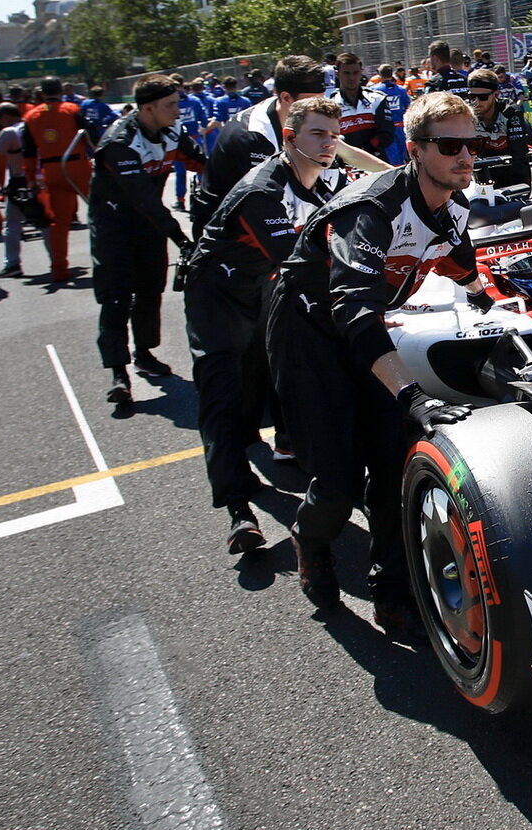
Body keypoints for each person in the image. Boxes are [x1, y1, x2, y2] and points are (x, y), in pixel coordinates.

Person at [267, 90, 491, 634]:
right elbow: (351, 307)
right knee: (340, 477)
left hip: (366, 329)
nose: (466, 157)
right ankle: (312, 537)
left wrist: (491, 302)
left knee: (393, 461)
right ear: (415, 150)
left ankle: (390, 592)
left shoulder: (453, 203)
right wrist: (411, 394)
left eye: (473, 144)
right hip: (311, 335)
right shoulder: (370, 208)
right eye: (450, 146)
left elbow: (458, 258)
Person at [187, 97, 347, 555]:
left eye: (334, 135)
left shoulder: (322, 182)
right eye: (318, 134)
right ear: (289, 138)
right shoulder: (262, 190)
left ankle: (294, 453)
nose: (329, 143)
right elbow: (300, 261)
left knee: (281, 375)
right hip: (216, 292)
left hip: (262, 285)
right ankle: (238, 508)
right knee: (221, 393)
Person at [89, 74, 207, 406]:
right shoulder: (119, 143)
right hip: (115, 228)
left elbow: (203, 164)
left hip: (149, 228)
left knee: (149, 291)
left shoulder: (172, 131)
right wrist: (181, 238)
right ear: (148, 108)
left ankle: (144, 353)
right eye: (170, 105)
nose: (178, 110)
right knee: (115, 299)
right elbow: (145, 199)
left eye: (178, 103)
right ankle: (118, 373)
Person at [188, 55, 326, 230]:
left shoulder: (287, 110)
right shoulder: (256, 135)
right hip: (227, 233)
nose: (318, 108)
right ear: (286, 98)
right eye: (311, 101)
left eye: (321, 99)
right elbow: (265, 205)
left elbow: (344, 151)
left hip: (258, 216)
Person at [21, 77, 93, 281]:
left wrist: (31, 180)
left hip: (51, 170)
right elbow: (92, 136)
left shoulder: (31, 116)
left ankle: (59, 267)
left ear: (42, 93)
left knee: (58, 223)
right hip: (78, 166)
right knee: (102, 211)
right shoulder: (71, 109)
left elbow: (28, 151)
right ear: (61, 90)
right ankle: (114, 257)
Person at [464, 68, 531, 187]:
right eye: (472, 97)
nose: (476, 102)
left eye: (483, 97)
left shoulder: (511, 112)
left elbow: (518, 154)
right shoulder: (466, 115)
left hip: (514, 174)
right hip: (483, 176)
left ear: (496, 94)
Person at [0, 103, 34, 278]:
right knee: (44, 222)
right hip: (36, 177)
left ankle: (12, 263)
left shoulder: (8, 132)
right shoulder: (30, 126)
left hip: (18, 179)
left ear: (6, 117)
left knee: (12, 225)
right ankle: (58, 262)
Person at [333, 52, 394, 160]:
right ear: (337, 74)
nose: (352, 77)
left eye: (355, 72)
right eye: (346, 73)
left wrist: (364, 152)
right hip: (342, 165)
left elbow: (386, 134)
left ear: (361, 72)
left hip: (375, 160)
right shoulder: (330, 103)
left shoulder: (377, 99)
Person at [172, 80, 211, 209]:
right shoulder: (194, 101)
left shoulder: (170, 103)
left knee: (180, 173)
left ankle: (180, 200)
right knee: (202, 169)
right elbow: (205, 122)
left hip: (177, 142)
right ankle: (205, 197)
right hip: (195, 140)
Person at [375, 65, 411, 164]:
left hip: (385, 128)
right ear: (392, 74)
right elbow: (408, 107)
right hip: (400, 127)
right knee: (403, 155)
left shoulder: (374, 90)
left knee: (391, 158)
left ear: (379, 74)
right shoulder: (401, 90)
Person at [211, 77, 253, 154]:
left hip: (228, 135)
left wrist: (205, 129)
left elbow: (217, 121)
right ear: (236, 86)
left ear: (224, 87)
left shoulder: (219, 101)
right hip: (244, 134)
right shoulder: (246, 101)